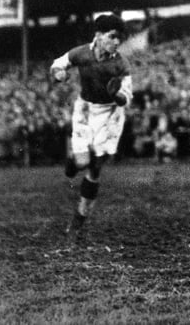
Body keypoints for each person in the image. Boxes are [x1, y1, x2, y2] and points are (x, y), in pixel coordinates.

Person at [50, 13, 133, 240]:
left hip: (110, 114)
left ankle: (79, 217)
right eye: (113, 37)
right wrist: (59, 73)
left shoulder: (121, 64)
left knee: (96, 167)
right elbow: (58, 64)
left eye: (120, 38)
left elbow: (127, 96)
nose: (117, 42)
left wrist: (116, 95)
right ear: (98, 35)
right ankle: (74, 163)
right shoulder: (81, 54)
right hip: (85, 109)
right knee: (82, 163)